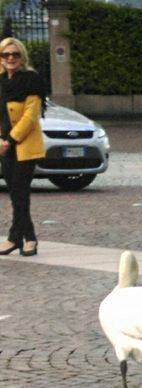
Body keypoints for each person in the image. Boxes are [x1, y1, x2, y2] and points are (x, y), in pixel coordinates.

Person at [0, 37, 45, 258]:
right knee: (15, 194)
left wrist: (10, 139)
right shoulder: (0, 82)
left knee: (20, 193)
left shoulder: (31, 80)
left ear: (22, 57)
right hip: (4, 146)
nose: (10, 58)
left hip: (24, 145)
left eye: (15, 54)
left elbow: (30, 116)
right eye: (6, 54)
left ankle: (21, 238)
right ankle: (23, 238)